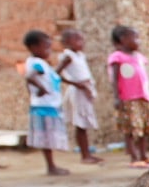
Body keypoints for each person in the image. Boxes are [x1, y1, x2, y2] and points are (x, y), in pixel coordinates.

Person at [22, 30, 71, 176]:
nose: (49, 51)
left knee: (48, 137)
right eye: (46, 47)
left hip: (46, 104)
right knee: (48, 137)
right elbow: (29, 77)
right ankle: (51, 166)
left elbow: (52, 77)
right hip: (45, 106)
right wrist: (41, 88)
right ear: (34, 48)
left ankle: (52, 165)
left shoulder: (40, 63)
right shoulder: (37, 63)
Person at [107, 25, 149, 168]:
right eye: (135, 38)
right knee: (130, 128)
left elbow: (144, 78)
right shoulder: (117, 57)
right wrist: (117, 97)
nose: (138, 41)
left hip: (143, 97)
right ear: (122, 40)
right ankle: (134, 156)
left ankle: (143, 154)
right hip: (128, 98)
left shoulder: (139, 57)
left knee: (144, 127)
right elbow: (115, 79)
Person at [57, 28, 104, 164]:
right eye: (77, 39)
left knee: (84, 124)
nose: (81, 42)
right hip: (78, 91)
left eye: (82, 39)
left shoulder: (79, 55)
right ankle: (85, 155)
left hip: (84, 90)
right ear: (66, 43)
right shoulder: (68, 56)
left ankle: (87, 153)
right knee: (80, 124)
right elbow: (57, 73)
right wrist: (77, 84)